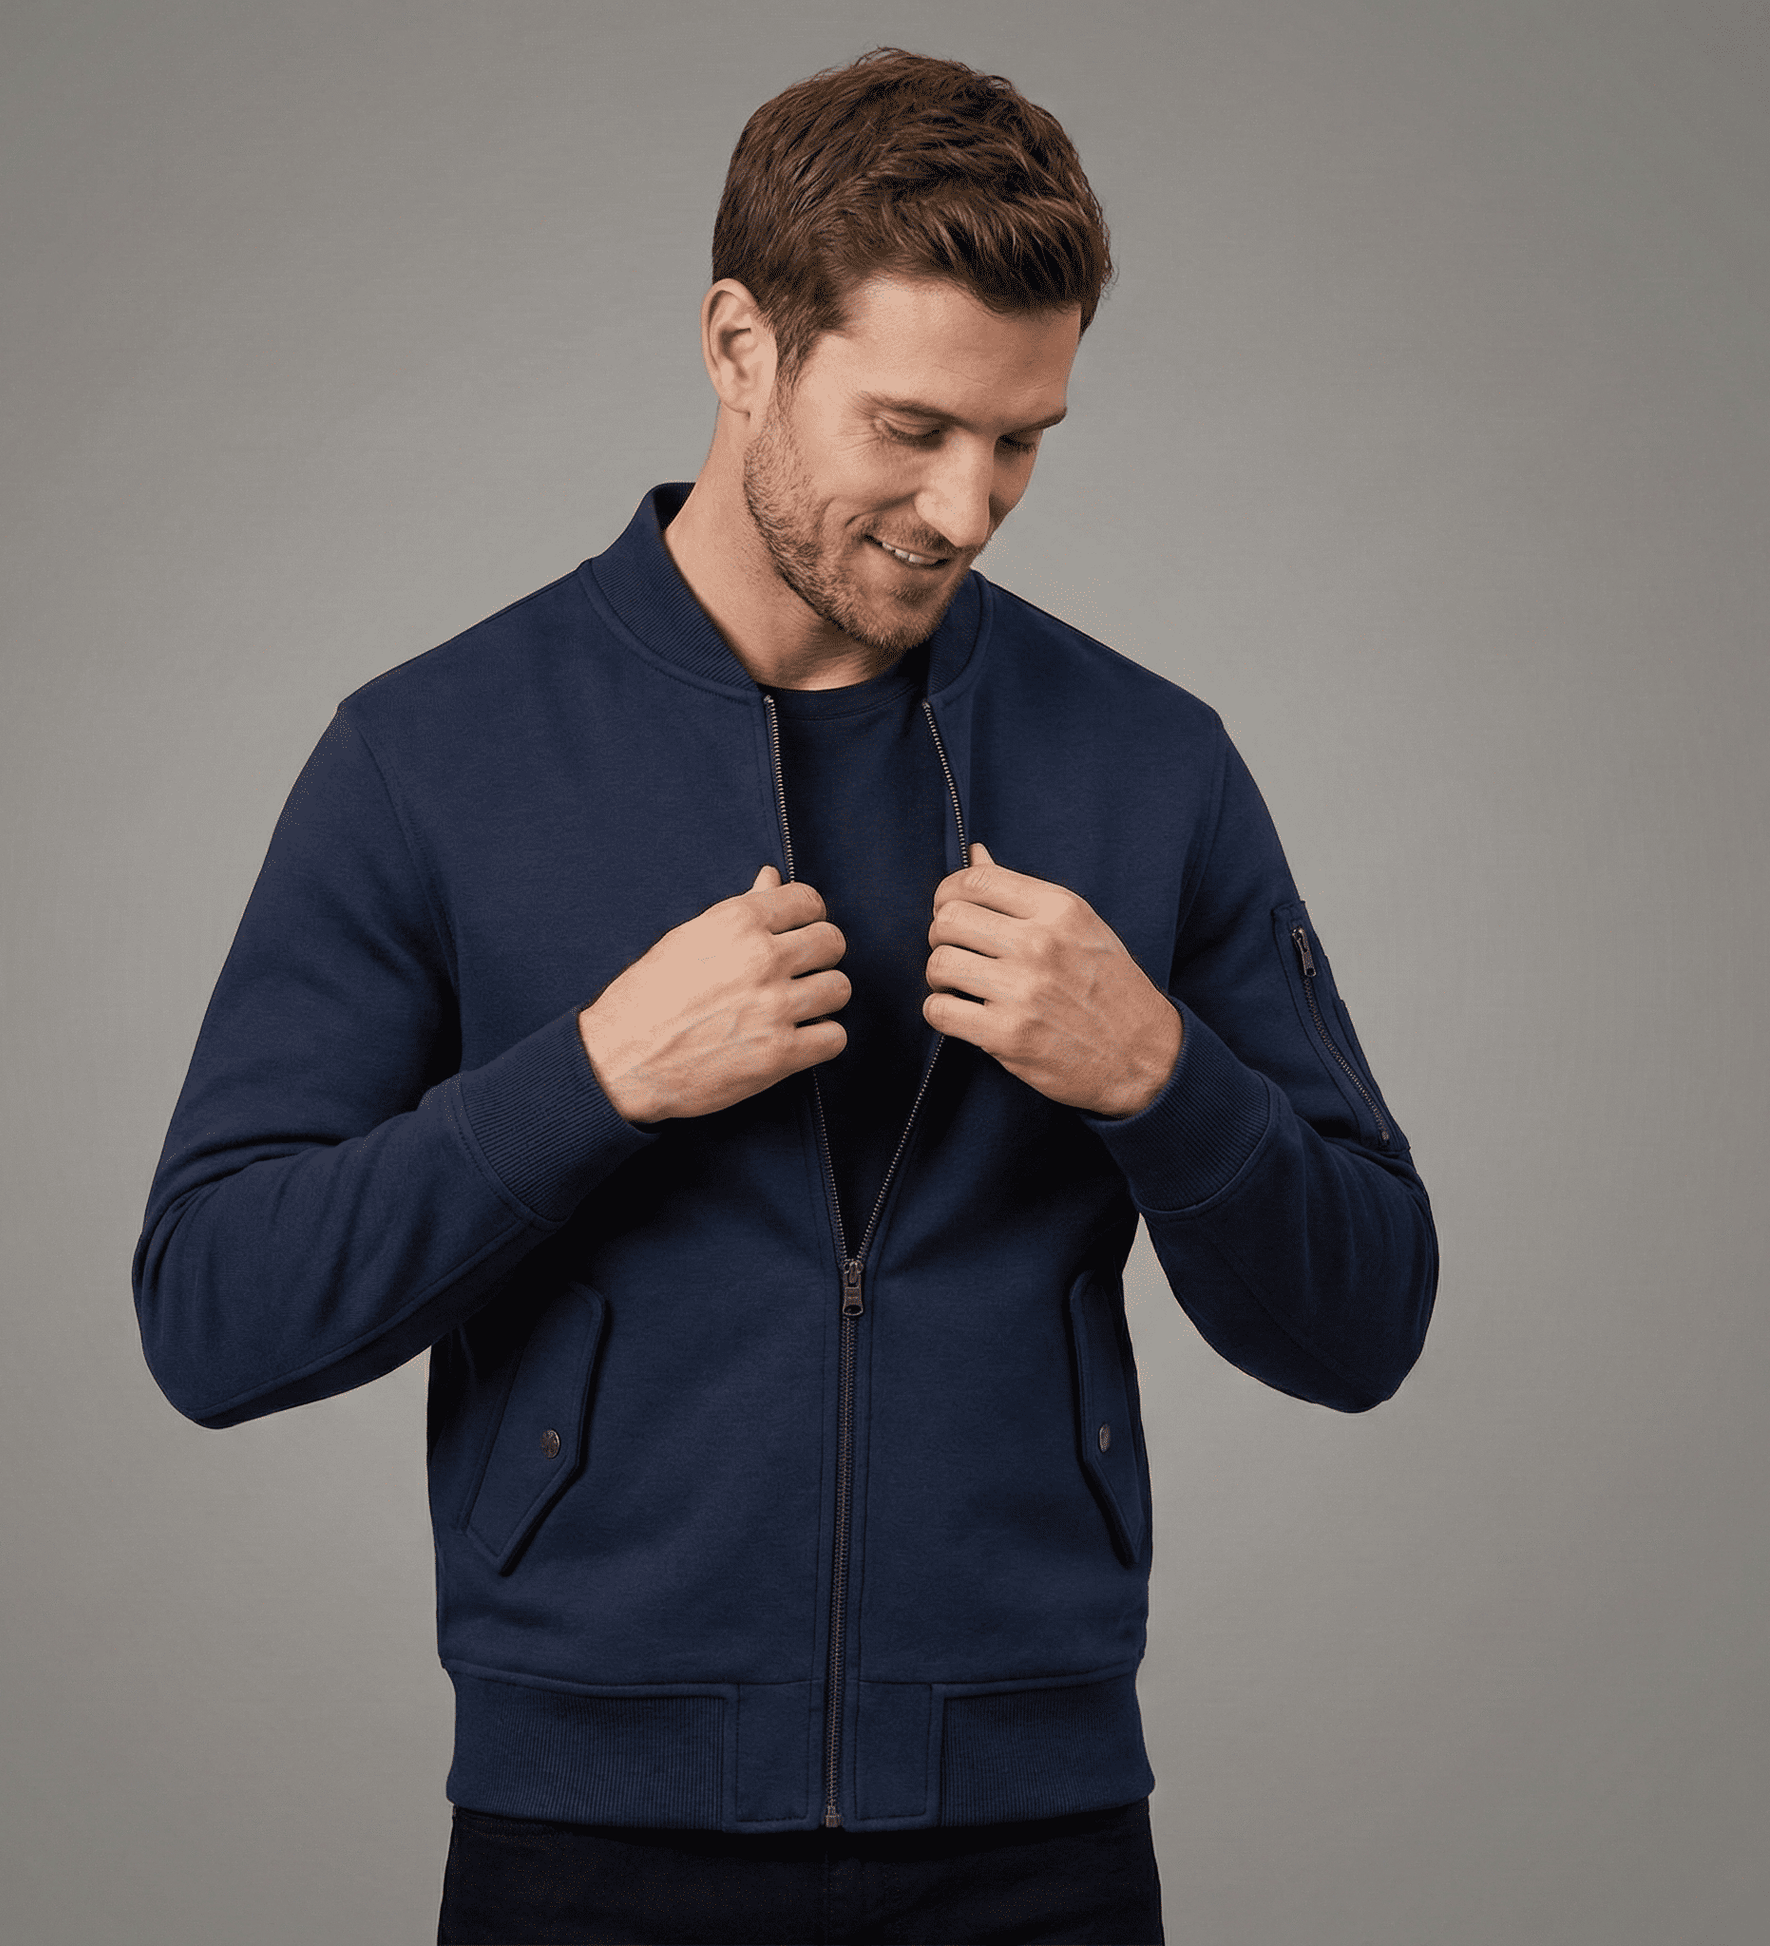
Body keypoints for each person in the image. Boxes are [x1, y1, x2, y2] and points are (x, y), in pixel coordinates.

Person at [133, 47, 1438, 1946]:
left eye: (1022, 440)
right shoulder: (431, 757)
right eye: (911, 426)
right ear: (740, 345)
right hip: (587, 1839)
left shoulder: (1150, 762)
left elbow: (1366, 1316)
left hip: (1036, 1832)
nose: (966, 505)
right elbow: (212, 1311)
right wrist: (591, 1078)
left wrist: (1161, 1076)